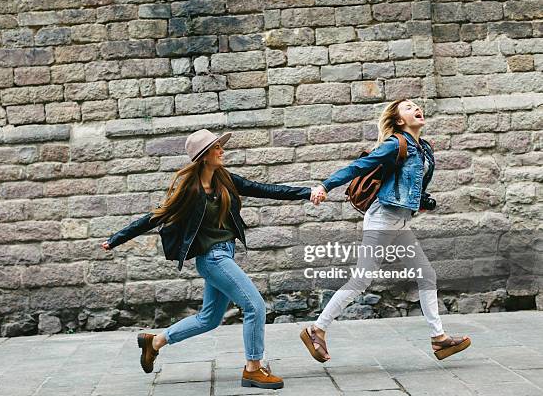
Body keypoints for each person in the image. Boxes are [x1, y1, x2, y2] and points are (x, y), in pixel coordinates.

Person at [101, 129, 311, 390]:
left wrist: (306, 192)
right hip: (212, 259)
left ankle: (154, 342)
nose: (222, 151)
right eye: (216, 148)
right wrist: (116, 238)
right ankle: (253, 369)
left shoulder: (225, 180)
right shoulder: (189, 190)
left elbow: (265, 189)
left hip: (225, 254)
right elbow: (155, 217)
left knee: (209, 319)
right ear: (203, 156)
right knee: (255, 306)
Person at [302, 99, 471, 363]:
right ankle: (317, 328)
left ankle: (439, 339)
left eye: (416, 105)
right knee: (361, 280)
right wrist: (325, 185)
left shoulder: (424, 148)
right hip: (382, 219)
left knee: (427, 275)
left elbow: (412, 185)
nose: (417, 108)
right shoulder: (395, 144)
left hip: (401, 221)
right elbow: (360, 166)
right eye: (408, 107)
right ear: (400, 120)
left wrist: (422, 202)